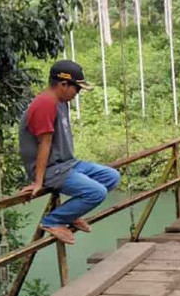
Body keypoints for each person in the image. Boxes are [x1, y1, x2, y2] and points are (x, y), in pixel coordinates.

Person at [19, 60, 120, 245]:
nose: (77, 94)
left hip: (68, 164)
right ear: (63, 84)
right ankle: (52, 221)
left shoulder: (61, 102)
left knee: (111, 177)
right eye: (77, 89)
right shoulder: (44, 104)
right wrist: (38, 181)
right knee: (96, 192)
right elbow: (44, 143)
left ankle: (71, 214)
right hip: (51, 169)